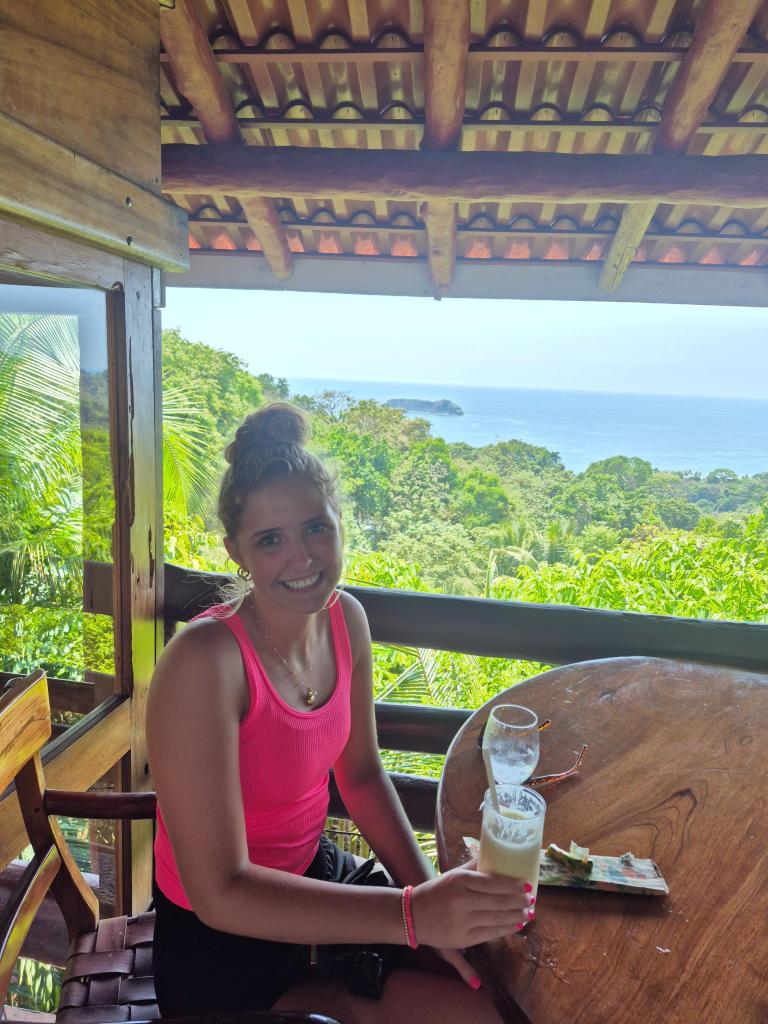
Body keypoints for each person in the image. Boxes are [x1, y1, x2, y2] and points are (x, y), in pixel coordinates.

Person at [147, 403, 532, 1023]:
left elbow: (361, 777)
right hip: (224, 950)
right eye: (270, 540)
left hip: (318, 882)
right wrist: (413, 916)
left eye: (314, 529)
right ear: (236, 551)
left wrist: (428, 897)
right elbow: (220, 892)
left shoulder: (345, 619)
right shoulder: (204, 662)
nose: (301, 558)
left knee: (498, 989)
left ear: (339, 523)